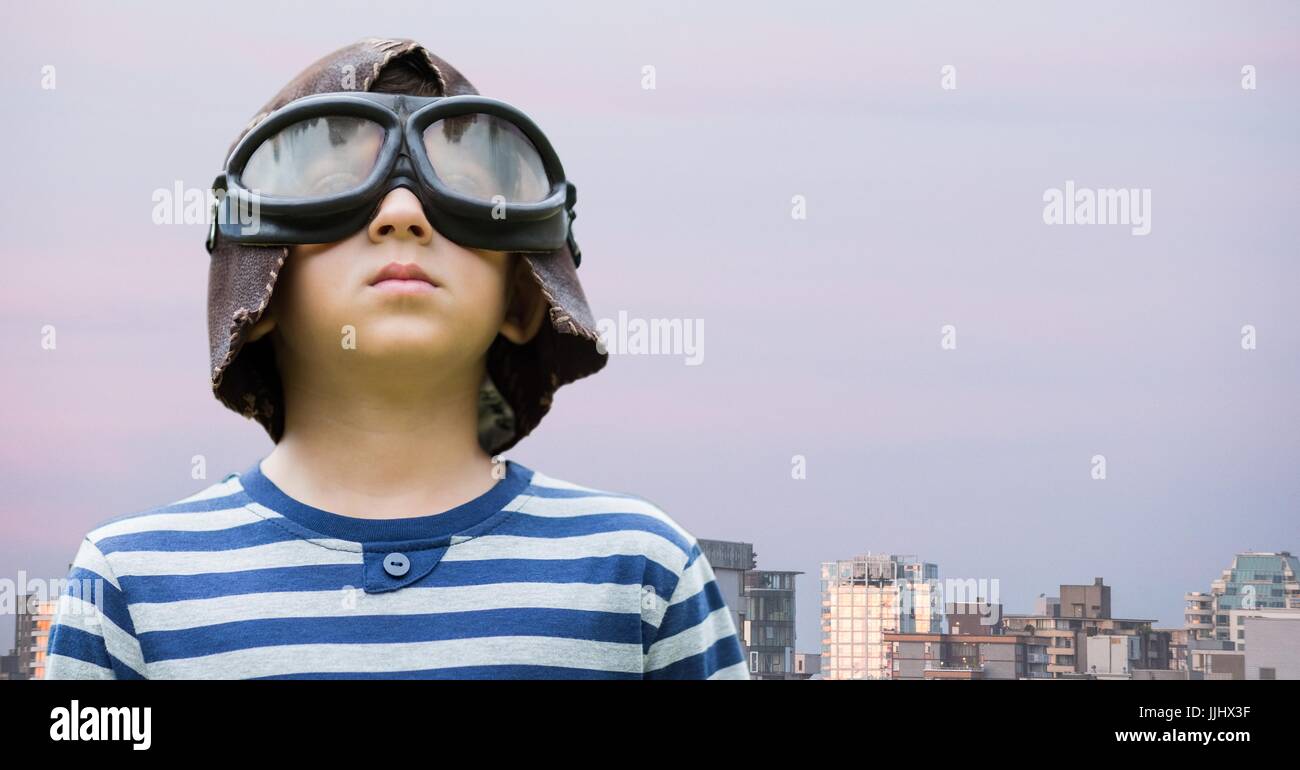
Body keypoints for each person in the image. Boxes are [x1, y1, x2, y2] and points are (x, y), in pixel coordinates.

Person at [42, 37, 748, 680]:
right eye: (331, 188)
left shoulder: (640, 578)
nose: (403, 212)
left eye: (468, 191)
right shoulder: (131, 593)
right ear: (257, 290)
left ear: (523, 297)